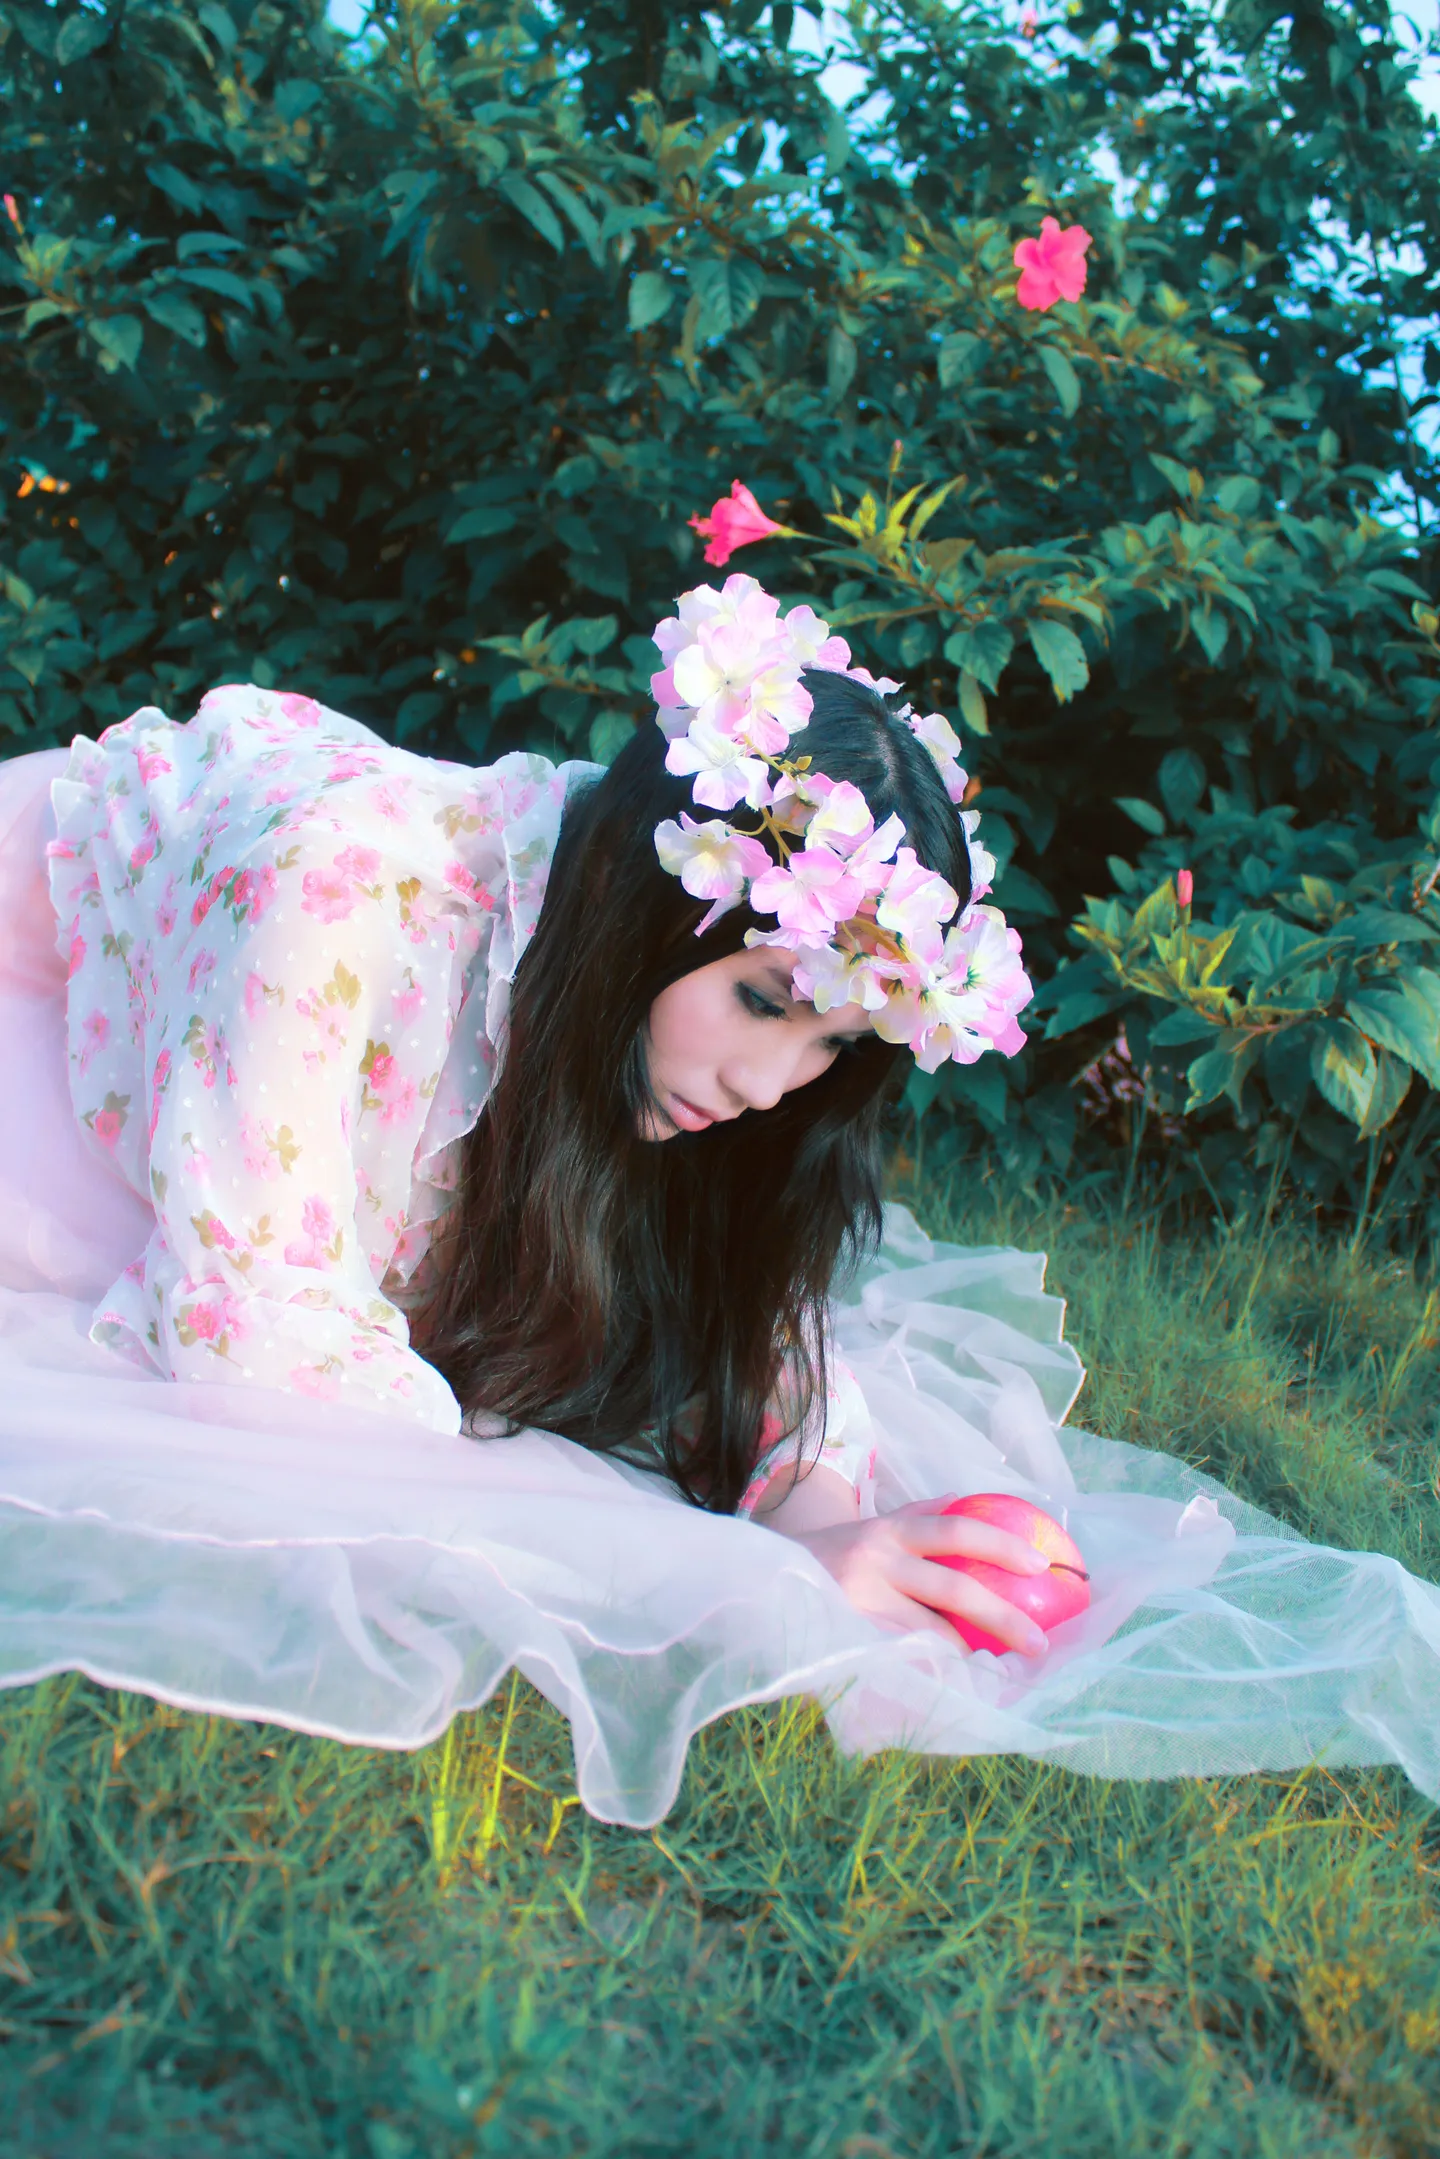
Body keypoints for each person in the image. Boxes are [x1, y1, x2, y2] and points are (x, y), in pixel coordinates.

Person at [0, 575, 1436, 1827]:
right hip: (46, 962)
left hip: (277, 992)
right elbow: (261, 1334)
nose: (768, 1084)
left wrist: (814, 1521)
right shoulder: (348, 890)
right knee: (163, 1296)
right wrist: (690, 1563)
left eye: (830, 1044)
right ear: (644, 900)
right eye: (761, 1001)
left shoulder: (692, 1052)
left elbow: (763, 1320)